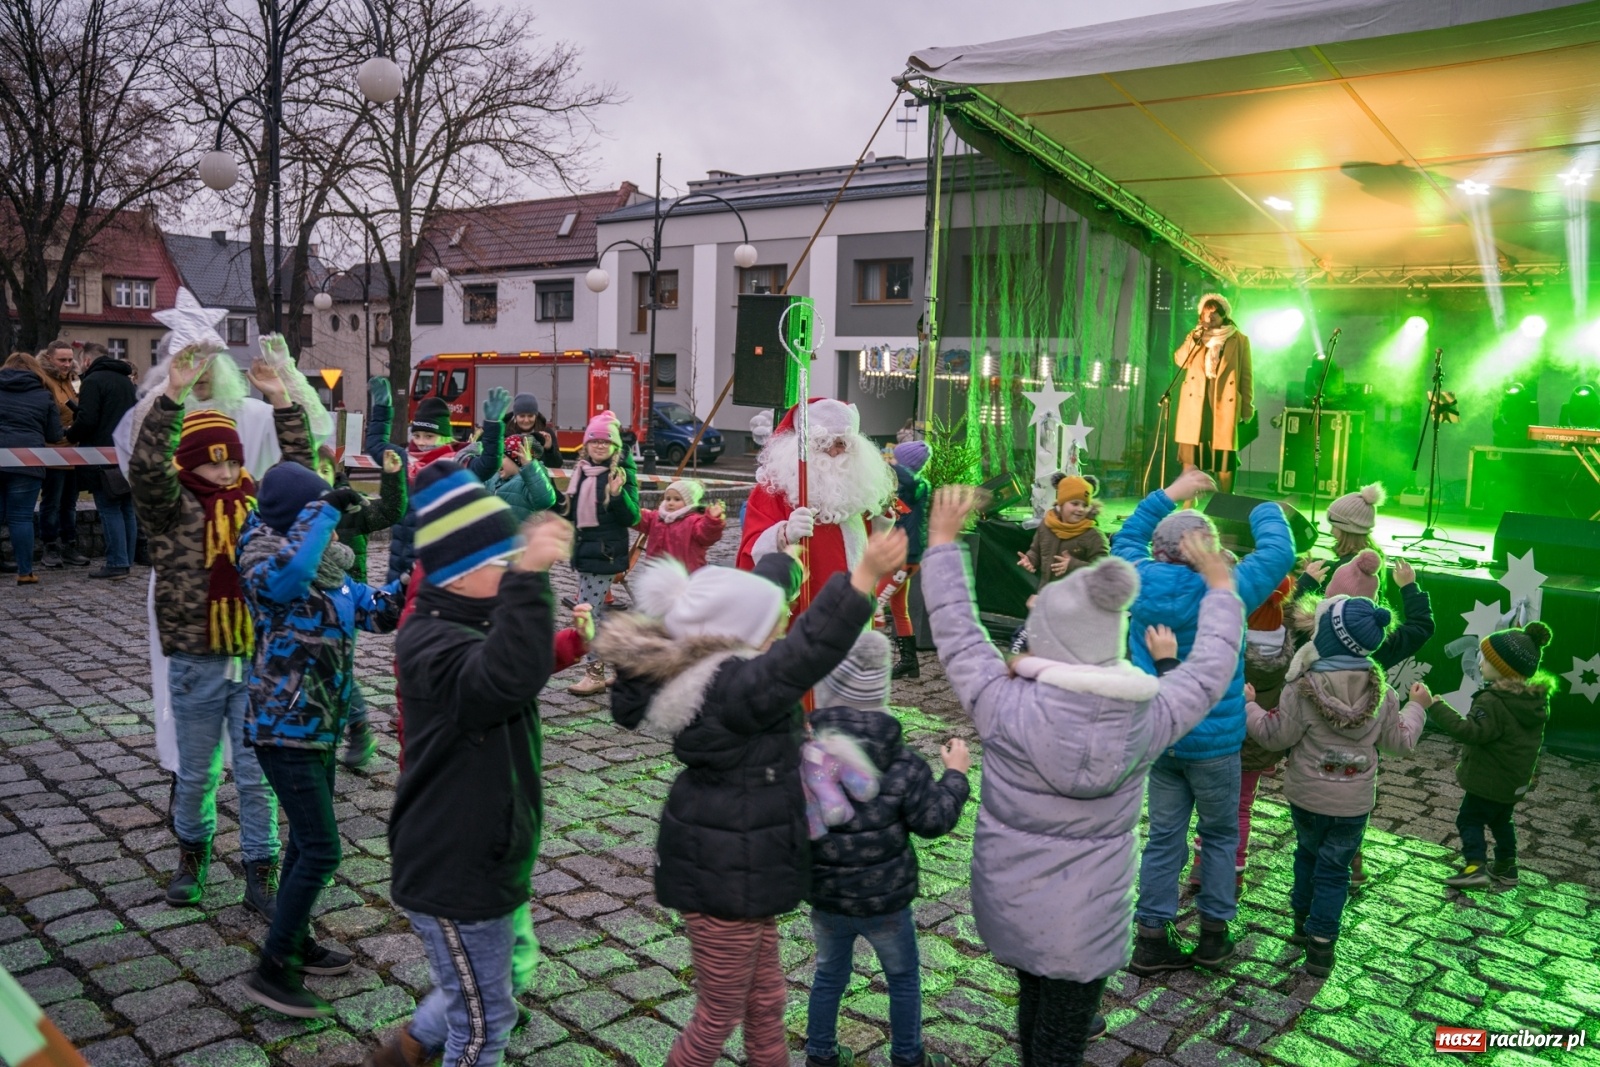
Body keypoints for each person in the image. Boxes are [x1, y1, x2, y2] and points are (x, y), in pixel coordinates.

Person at [922, 485, 1247, 1064]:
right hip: (1089, 927)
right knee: (1063, 1042)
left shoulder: (1000, 701)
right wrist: (1220, 587)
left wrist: (944, 542)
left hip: (1013, 908)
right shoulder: (1151, 715)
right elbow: (1211, 667)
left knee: (1031, 1013)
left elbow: (957, 631)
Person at [594, 530, 903, 1067]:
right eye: (777, 619)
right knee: (717, 1015)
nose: (785, 621)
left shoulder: (716, 670)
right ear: (741, 635)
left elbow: (757, 598)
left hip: (739, 869)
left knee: (766, 1000)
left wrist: (784, 560)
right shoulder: (736, 691)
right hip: (725, 878)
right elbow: (808, 652)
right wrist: (862, 578)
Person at [375, 464, 573, 1067]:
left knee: (497, 975)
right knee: (486, 1024)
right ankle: (422, 1046)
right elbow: (505, 679)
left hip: (487, 849)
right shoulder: (431, 641)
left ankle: (407, 1048)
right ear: (460, 579)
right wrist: (532, 577)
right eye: (500, 563)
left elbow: (525, 660)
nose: (511, 570)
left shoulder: (468, 618)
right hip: (454, 866)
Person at [129, 346, 310, 915]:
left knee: (258, 777)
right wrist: (174, 396)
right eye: (212, 462)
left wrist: (282, 400)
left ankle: (262, 867)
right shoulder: (169, 507)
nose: (226, 471)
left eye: (231, 461)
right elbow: (145, 466)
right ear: (187, 464)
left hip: (257, 658)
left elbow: (301, 473)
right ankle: (192, 854)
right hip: (196, 659)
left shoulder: (259, 502)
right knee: (197, 770)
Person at [1112, 468, 1295, 974]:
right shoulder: (1228, 585)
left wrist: (1172, 493)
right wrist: (1263, 509)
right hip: (1214, 745)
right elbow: (1279, 554)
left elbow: (1125, 534)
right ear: (1209, 552)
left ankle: (1151, 937)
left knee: (1164, 835)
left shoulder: (1135, 575)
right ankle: (1214, 936)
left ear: (1160, 548)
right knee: (1218, 836)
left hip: (1159, 734)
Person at [236, 462, 401, 1016]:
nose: (335, 534)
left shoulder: (331, 568)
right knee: (324, 848)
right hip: (282, 729)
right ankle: (272, 969)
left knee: (307, 845)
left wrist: (416, 580)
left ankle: (296, 940)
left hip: (321, 728)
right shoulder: (262, 556)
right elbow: (286, 581)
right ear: (300, 518)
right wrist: (324, 511)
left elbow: (376, 613)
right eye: (323, 520)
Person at [804, 629, 971, 1067]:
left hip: (826, 896)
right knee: (902, 978)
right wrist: (954, 774)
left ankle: (819, 1054)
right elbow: (933, 821)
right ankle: (907, 1056)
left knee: (828, 975)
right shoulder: (904, 763)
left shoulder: (806, 756)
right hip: (886, 901)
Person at [1246, 595, 1425, 977]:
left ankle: (1301, 920)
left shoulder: (1301, 688)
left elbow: (1274, 737)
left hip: (1308, 798)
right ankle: (1322, 945)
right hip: (1352, 806)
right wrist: (1417, 708)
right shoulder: (1385, 695)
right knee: (1335, 870)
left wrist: (1250, 707)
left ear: (1327, 637)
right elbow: (1400, 744)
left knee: (1307, 855)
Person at [1420, 621, 1553, 890]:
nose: (1480, 664)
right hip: (1513, 781)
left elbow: (1469, 731)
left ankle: (1474, 867)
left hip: (1488, 780)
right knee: (1502, 819)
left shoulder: (1493, 701)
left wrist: (1433, 706)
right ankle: (1506, 866)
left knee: (1468, 818)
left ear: (1503, 668)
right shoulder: (1534, 700)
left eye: (1486, 660)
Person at [738, 397, 897, 608]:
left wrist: (880, 517)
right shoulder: (774, 487)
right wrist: (784, 534)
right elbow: (751, 548)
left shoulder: (857, 484)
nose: (833, 452)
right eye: (822, 443)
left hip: (851, 601)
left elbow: (865, 543)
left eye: (841, 444)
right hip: (804, 607)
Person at [311, 444, 408, 768]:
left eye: (323, 470)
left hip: (346, 601)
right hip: (305, 603)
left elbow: (390, 512)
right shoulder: (294, 511)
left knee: (339, 668)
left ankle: (358, 728)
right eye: (311, 470)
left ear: (334, 472)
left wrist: (393, 477)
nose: (318, 477)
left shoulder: (348, 508)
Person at [363, 376, 506, 584]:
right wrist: (382, 408)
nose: (421, 442)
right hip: (400, 563)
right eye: (417, 435)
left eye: (429, 436)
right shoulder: (403, 458)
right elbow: (375, 443)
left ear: (444, 436)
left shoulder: (457, 464)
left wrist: (493, 426)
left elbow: (488, 464)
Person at [556, 411, 640, 697]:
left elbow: (632, 516)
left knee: (588, 615)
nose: (600, 446)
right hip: (584, 552)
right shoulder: (581, 471)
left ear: (616, 446)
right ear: (586, 445)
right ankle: (623, 667)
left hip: (604, 555)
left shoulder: (620, 474)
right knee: (599, 615)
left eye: (606, 442)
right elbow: (573, 514)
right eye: (595, 441)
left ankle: (594, 674)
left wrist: (617, 494)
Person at [65, 342, 138, 579]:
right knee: (126, 508)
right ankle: (127, 558)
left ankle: (117, 562)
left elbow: (87, 420)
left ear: (86, 360)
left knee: (109, 508)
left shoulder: (93, 381)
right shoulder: (126, 381)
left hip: (101, 455)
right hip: (125, 453)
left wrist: (69, 434)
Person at [1174, 293, 1252, 493]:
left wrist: (1247, 408)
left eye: (1215, 313)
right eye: (1206, 313)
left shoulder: (1239, 339)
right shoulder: (1195, 337)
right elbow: (1180, 361)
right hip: (1196, 400)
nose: (1210, 317)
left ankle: (1225, 500)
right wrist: (1194, 339)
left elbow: (1245, 375)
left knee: (1224, 455)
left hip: (1224, 399)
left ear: (1224, 314)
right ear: (1201, 316)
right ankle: (1190, 498)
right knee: (1192, 453)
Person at [0, 352, 63, 585]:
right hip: (27, 462)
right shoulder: (43, 394)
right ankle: (25, 572)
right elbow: (55, 435)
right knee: (21, 519)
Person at [36, 340, 90, 569]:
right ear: (49, 359)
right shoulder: (42, 381)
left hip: (74, 450)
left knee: (70, 502)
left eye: (70, 359)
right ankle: (50, 546)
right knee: (52, 502)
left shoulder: (74, 381)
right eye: (62, 360)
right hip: (53, 449)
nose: (67, 364)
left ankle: (69, 544)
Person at [883, 441, 932, 679]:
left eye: (898, 459)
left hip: (905, 559)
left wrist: (890, 464)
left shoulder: (918, 485)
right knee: (898, 608)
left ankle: (866, 662)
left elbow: (910, 481)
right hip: (902, 557)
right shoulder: (905, 488)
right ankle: (909, 663)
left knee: (872, 602)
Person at [1017, 473, 1109, 591]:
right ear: (1061, 504)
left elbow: (1104, 571)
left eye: (1085, 505)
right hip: (1047, 595)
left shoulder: (1093, 535)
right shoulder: (1046, 526)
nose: (1080, 509)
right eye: (1075, 503)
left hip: (1079, 602)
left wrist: (1073, 565)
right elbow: (1036, 551)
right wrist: (1030, 560)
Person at [635, 477, 725, 573]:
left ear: (689, 503)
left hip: (685, 576)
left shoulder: (694, 521)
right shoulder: (655, 517)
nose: (671, 503)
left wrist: (712, 520)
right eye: (668, 499)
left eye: (677, 499)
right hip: (657, 575)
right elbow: (633, 517)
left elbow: (707, 536)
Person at [484, 434, 559, 522]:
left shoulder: (530, 478)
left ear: (518, 458)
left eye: (503, 457)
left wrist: (529, 466)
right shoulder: (494, 479)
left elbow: (545, 500)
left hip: (522, 534)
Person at [507, 391, 562, 470]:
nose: (526, 420)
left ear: (536, 416)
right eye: (522, 416)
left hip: (540, 481)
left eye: (530, 416)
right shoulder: (506, 434)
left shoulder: (546, 434)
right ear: (515, 416)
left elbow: (556, 465)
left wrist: (549, 449)